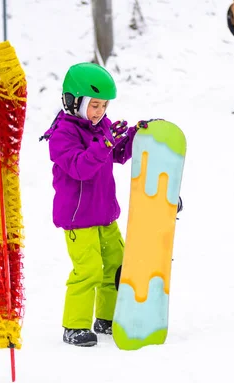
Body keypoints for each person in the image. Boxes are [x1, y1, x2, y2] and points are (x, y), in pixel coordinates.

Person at [42, 62, 145, 347]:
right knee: (88, 269)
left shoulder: (102, 127)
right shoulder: (62, 134)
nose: (100, 112)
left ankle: (106, 318)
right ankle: (74, 326)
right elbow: (79, 168)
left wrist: (133, 136)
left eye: (104, 106)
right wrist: (105, 145)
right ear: (74, 101)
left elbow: (116, 155)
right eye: (94, 105)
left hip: (103, 213)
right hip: (78, 218)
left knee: (115, 265)